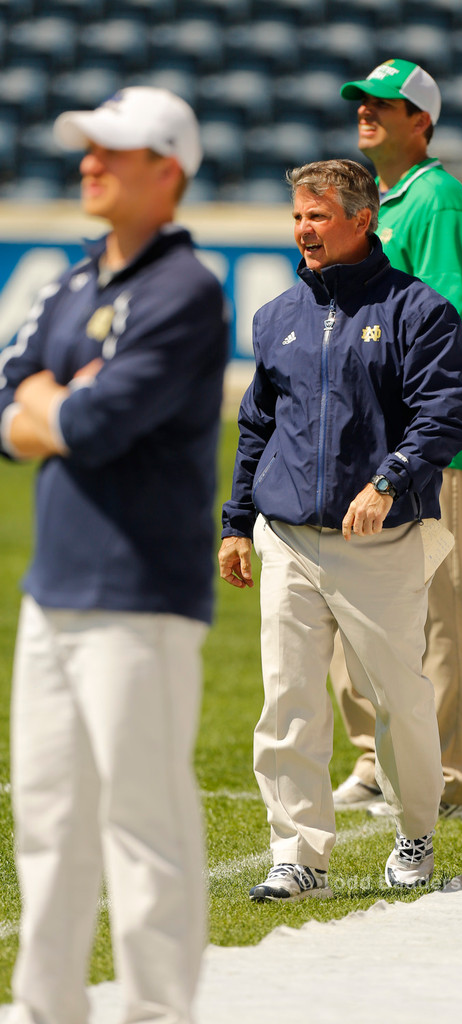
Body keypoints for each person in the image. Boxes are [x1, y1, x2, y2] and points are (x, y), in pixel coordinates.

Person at [0, 87, 228, 1024]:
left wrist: (49, 406)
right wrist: (55, 402)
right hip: (51, 591)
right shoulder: (73, 276)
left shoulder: (186, 290)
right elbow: (11, 396)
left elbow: (93, 423)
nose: (90, 162)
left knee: (145, 827)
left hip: (140, 594)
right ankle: (47, 1010)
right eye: (87, 147)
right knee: (47, 823)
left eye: (114, 150)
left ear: (167, 169)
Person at [219, 159, 462, 902]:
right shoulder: (276, 317)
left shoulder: (417, 310)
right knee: (287, 700)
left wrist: (388, 481)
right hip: (287, 540)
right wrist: (237, 524)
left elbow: (442, 417)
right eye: (298, 215)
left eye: (318, 216)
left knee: (401, 698)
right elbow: (256, 428)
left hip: (381, 543)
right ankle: (297, 855)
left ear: (362, 220)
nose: (303, 230)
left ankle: (415, 831)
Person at [331, 59, 462, 820]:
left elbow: (456, 331)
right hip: (368, 447)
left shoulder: (440, 203)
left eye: (384, 104)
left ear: (420, 121)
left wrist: (417, 433)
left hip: (439, 451)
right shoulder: (376, 204)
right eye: (361, 100)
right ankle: (373, 759)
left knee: (440, 613)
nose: (366, 111)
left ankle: (450, 779)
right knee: (351, 605)